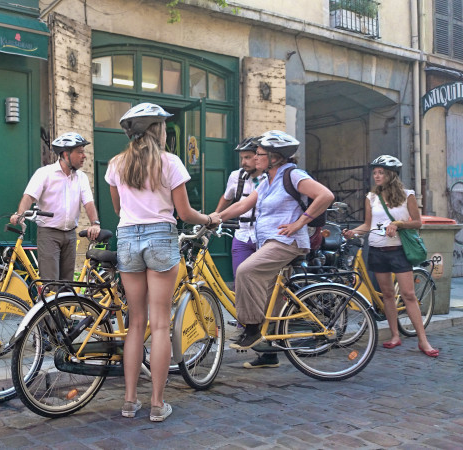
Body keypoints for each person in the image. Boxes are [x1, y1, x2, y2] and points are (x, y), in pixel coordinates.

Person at [105, 103, 221, 423]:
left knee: (135, 324)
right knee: (159, 325)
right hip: (160, 237)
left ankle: (129, 401)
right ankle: (157, 403)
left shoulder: (117, 164)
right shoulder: (170, 162)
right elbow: (184, 214)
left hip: (127, 238)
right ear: (158, 130)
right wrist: (209, 217)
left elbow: (118, 208)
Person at [216, 130, 334, 351]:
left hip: (286, 242)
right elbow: (243, 205)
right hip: (270, 242)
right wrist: (214, 217)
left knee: (246, 270)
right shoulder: (268, 181)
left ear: (275, 157)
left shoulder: (293, 175)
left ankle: (251, 328)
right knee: (271, 297)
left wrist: (300, 223)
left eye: (260, 154)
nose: (255, 157)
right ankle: (270, 347)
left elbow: (326, 195)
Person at [342, 155, 439, 357]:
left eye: (381, 172)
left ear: (391, 175)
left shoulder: (407, 195)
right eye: (375, 173)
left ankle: (423, 340)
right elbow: (368, 225)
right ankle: (395, 335)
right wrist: (354, 232)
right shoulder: (371, 197)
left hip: (399, 251)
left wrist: (398, 224)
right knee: (387, 295)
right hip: (377, 250)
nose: (377, 176)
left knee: (409, 295)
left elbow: (417, 222)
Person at [214, 137, 277, 369]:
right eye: (242, 158)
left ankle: (265, 344)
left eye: (249, 157)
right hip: (242, 235)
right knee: (241, 281)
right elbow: (230, 198)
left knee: (265, 290)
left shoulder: (271, 178)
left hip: (264, 236)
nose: (245, 162)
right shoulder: (236, 176)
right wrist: (215, 215)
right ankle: (246, 326)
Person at [9, 132, 101, 281]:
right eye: (80, 152)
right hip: (49, 234)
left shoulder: (81, 177)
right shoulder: (45, 173)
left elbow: (88, 202)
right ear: (66, 154)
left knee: (67, 283)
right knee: (50, 283)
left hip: (71, 234)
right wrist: (20, 214)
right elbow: (29, 196)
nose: (84, 156)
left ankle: (65, 305)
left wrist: (95, 223)